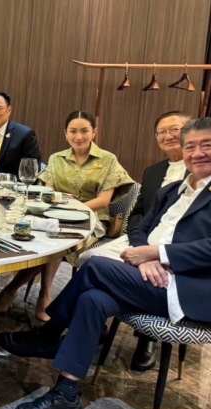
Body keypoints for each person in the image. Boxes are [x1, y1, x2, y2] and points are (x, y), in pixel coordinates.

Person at [0, 117, 211, 409]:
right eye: (190, 146)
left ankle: (48, 334)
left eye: (207, 145)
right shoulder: (173, 190)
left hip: (192, 289)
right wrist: (146, 257)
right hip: (151, 277)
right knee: (93, 300)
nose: (197, 153)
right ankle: (66, 393)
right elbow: (139, 229)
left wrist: (157, 253)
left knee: (95, 265)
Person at [0, 110, 134, 321]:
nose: (79, 136)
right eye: (73, 131)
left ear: (94, 132)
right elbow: (47, 192)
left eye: (84, 131)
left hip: (90, 218)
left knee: (56, 239)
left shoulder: (108, 159)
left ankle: (38, 294)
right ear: (65, 133)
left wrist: (72, 208)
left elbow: (103, 201)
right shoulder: (57, 159)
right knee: (34, 234)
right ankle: (12, 290)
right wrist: (55, 204)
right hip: (54, 215)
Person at [76, 110, 192, 371]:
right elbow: (138, 213)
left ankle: (147, 337)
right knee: (88, 257)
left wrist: (154, 254)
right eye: (161, 132)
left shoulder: (200, 170)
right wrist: (141, 248)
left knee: (133, 271)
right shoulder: (153, 172)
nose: (168, 136)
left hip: (173, 246)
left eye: (175, 129)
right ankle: (96, 323)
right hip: (142, 238)